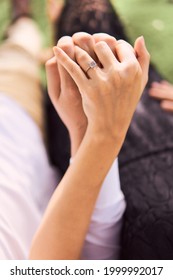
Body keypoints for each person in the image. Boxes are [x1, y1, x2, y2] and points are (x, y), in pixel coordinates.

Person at [0, 0, 150, 260]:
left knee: (18, 50)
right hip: (19, 125)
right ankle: (24, 23)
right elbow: (90, 260)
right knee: (19, 53)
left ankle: (22, 23)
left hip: (12, 116)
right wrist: (96, 131)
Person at [47, 0, 173, 259]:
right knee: (106, 42)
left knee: (86, 26)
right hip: (162, 125)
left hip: (107, 165)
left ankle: (60, 15)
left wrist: (90, 133)